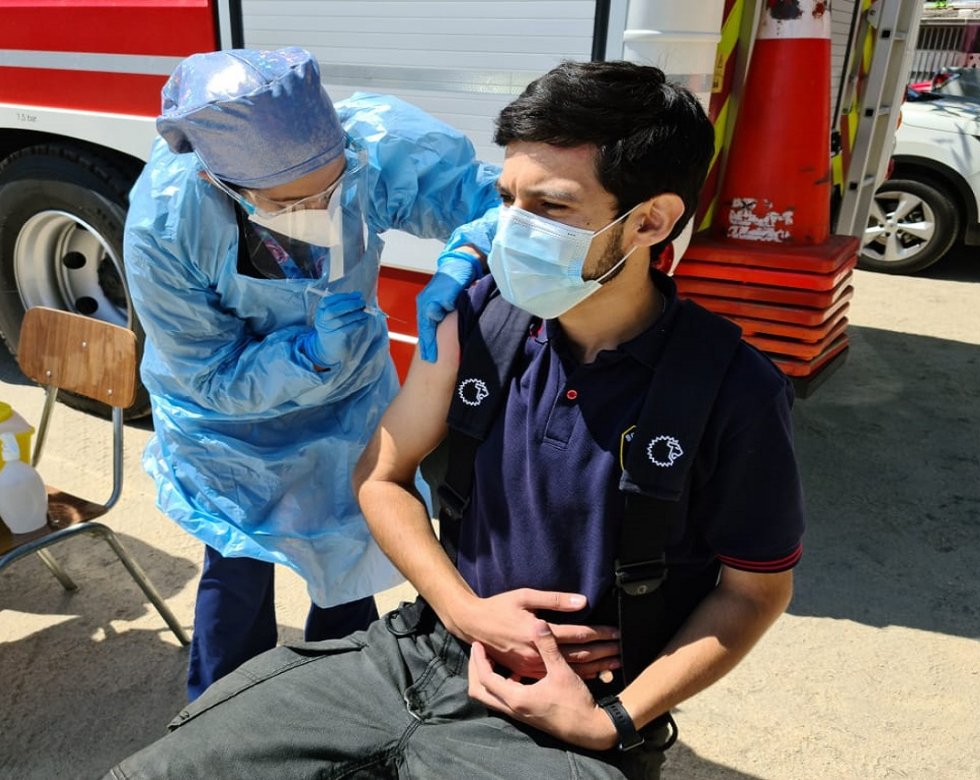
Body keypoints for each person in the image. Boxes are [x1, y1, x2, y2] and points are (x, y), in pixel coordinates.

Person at [109, 60, 804, 779]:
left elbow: (754, 592)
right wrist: (462, 610)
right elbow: (375, 471)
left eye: (550, 208)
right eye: (508, 202)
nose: (514, 231)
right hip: (392, 604)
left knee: (341, 581)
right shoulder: (482, 322)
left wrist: (613, 720)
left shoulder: (728, 392)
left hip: (577, 697)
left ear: (652, 220)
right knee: (201, 684)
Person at [123, 48, 499, 701]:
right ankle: (221, 719)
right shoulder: (167, 220)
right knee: (237, 573)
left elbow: (487, 198)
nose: (322, 209)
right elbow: (208, 373)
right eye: (294, 201)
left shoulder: (370, 146)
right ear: (223, 182)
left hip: (352, 405)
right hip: (227, 433)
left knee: (349, 571)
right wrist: (310, 357)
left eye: (334, 185)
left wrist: (474, 247)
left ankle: (342, 708)